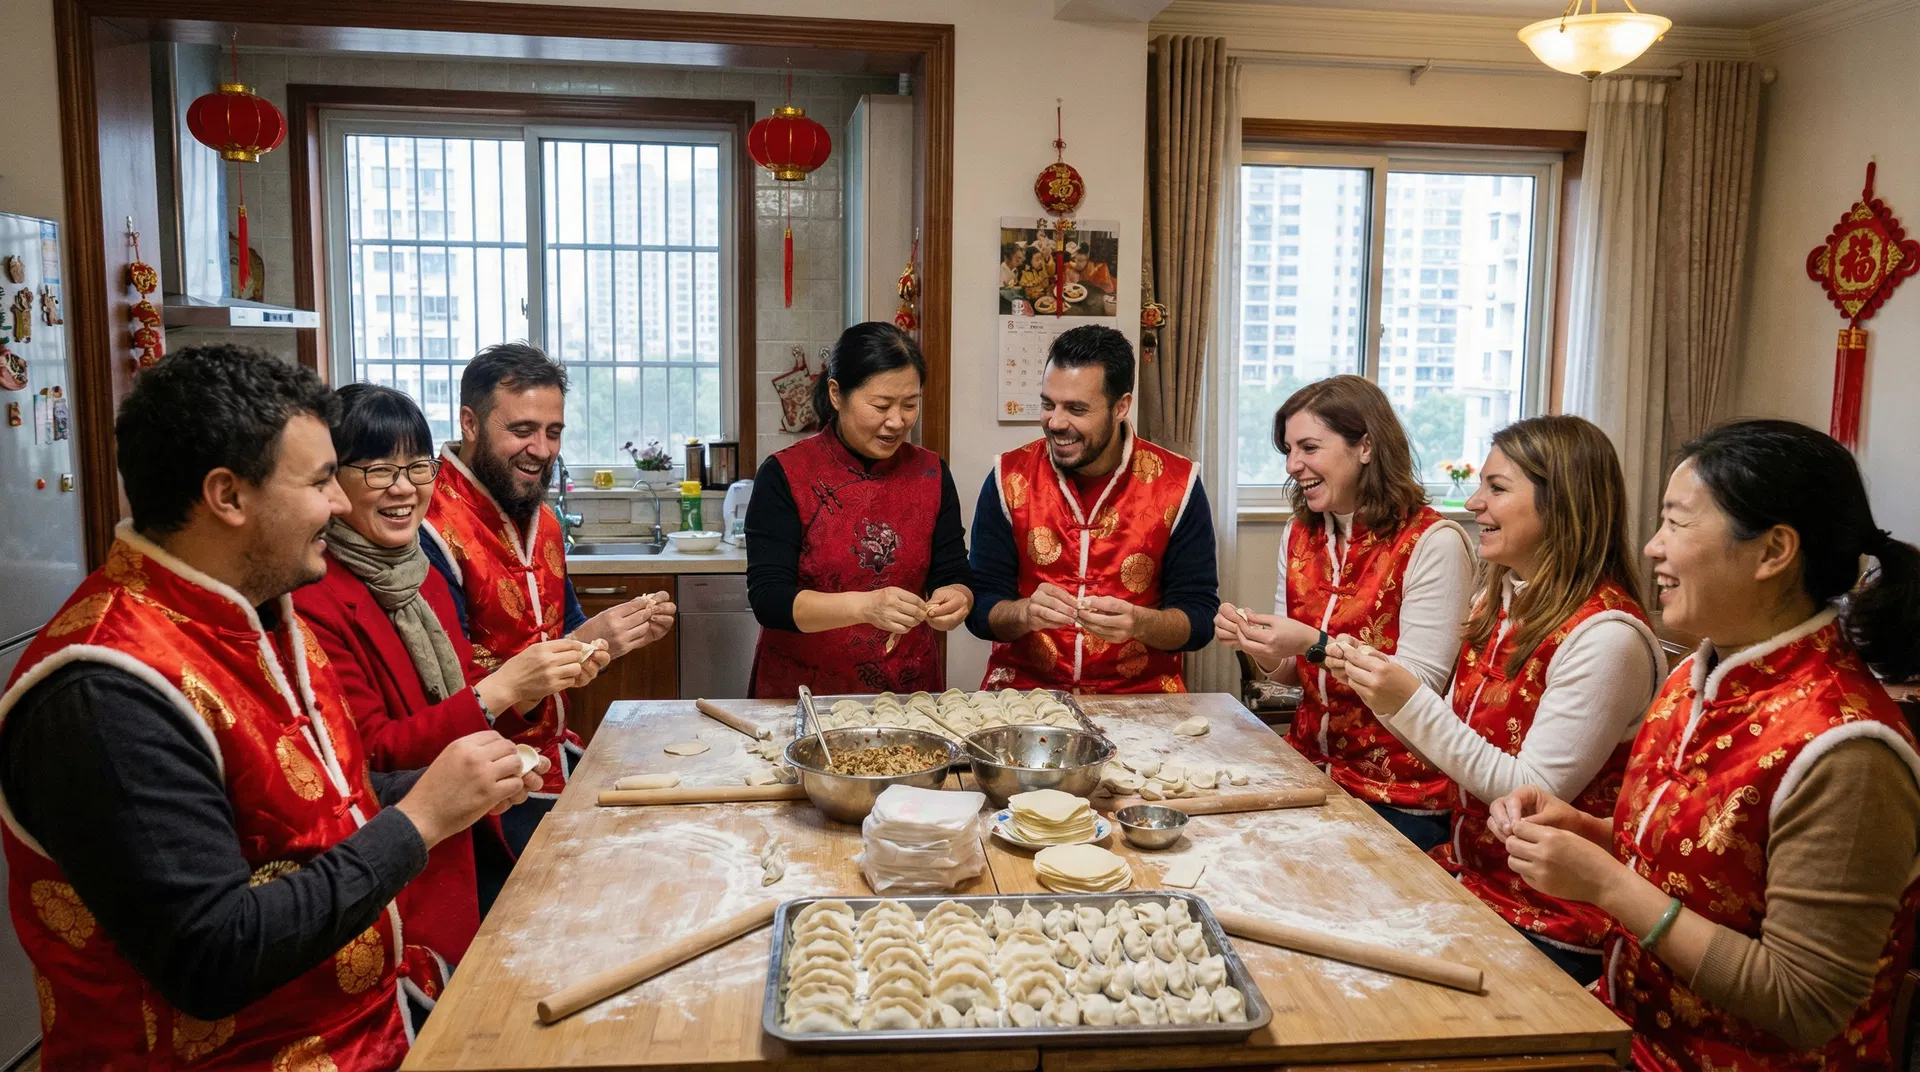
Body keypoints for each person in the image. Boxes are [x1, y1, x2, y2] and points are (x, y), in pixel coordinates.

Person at [0, 346, 544, 1068]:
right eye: (322, 481)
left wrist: (456, 780)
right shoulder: (104, 690)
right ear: (228, 496)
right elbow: (212, 954)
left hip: (366, 1035)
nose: (343, 503)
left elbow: (314, 809)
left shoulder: (262, 614)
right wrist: (421, 819)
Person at [1494, 419, 1920, 1072]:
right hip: (1624, 1032)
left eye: (1677, 524)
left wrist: (1610, 886)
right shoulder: (1700, 672)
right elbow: (1713, 859)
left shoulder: (1848, 748)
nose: (1653, 547)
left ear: (1774, 550)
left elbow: (1804, 1001)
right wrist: (1589, 831)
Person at [1326, 416, 1665, 983]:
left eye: (1498, 488)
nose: (1475, 502)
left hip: (1552, 922)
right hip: (1470, 877)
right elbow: (1458, 749)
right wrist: (1381, 691)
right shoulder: (1499, 601)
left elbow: (1530, 794)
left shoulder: (1608, 637)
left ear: (1564, 504)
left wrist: (1406, 701)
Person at [293, 385, 611, 974]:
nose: (404, 487)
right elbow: (371, 758)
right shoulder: (316, 598)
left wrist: (529, 702)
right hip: (394, 867)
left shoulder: (417, 574)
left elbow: (466, 699)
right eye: (378, 469)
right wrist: (506, 689)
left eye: (417, 467)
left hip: (469, 833)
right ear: (333, 482)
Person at [421, 343, 674, 853]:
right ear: (470, 423)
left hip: (552, 767)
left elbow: (566, 632)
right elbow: (444, 696)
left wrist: (611, 639)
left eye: (553, 432)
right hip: (479, 801)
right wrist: (585, 641)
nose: (542, 449)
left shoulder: (545, 520)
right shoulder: (428, 527)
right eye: (521, 431)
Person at [1214, 375, 1472, 850]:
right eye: (1288, 450)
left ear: (1366, 447)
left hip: (1401, 795)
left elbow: (1418, 686)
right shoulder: (1300, 534)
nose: (1293, 465)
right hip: (1310, 770)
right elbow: (1293, 674)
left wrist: (1314, 642)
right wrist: (1263, 647)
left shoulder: (1435, 542)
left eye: (1309, 447)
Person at [967, 324, 1219, 693]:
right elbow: (980, 607)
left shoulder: (1178, 485)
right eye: (1048, 404)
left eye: (1076, 409)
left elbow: (1200, 617)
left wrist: (1139, 623)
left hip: (1141, 698)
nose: (1055, 423)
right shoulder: (1009, 478)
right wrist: (1024, 613)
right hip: (1026, 695)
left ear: (1121, 406)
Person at [745, 322, 974, 696]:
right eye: (881, 405)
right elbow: (769, 599)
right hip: (804, 690)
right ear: (837, 394)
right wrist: (864, 607)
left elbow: (952, 569)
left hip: (906, 691)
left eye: (910, 404)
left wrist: (958, 598)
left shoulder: (930, 472)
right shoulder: (786, 474)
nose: (897, 421)